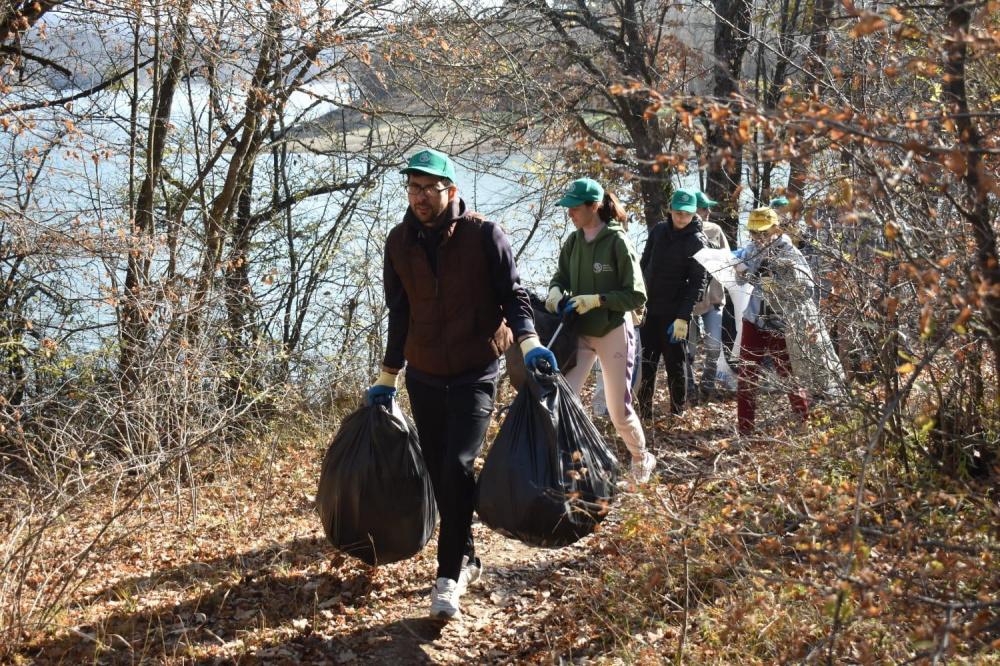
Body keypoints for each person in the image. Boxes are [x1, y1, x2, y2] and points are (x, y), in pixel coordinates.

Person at [366, 148, 556, 620]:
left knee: (456, 463)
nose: (420, 197)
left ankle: (447, 576)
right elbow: (399, 313)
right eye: (413, 188)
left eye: (429, 188)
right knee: (440, 472)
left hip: (476, 369)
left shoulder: (484, 235)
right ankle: (468, 555)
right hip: (425, 373)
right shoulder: (398, 242)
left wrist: (529, 342)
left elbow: (513, 294)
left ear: (450, 190)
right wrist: (388, 375)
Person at [544, 178, 655, 483]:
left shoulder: (618, 242)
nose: (570, 214)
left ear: (593, 207)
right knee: (564, 400)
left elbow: (637, 295)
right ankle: (572, 465)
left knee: (617, 411)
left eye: (574, 208)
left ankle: (641, 459)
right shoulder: (574, 241)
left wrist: (597, 300)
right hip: (579, 333)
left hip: (612, 331)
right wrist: (555, 292)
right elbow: (561, 276)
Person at [734, 206, 815, 436]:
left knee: (788, 375)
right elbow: (741, 283)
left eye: (763, 231)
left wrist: (783, 277)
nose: (758, 237)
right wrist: (739, 271)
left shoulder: (789, 250)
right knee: (746, 375)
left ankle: (802, 424)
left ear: (775, 228)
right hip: (754, 318)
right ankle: (745, 432)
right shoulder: (750, 249)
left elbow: (808, 288)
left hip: (780, 321)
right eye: (754, 232)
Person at [637, 188, 708, 418]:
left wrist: (684, 317)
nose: (682, 218)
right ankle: (645, 412)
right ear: (670, 210)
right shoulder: (658, 231)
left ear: (693, 213)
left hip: (675, 314)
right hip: (650, 310)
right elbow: (643, 264)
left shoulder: (697, 241)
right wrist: (637, 298)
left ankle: (677, 413)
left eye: (687, 214)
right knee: (647, 364)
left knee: (675, 365)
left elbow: (699, 282)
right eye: (678, 212)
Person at [689, 191, 735, 401]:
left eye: (708, 207)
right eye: (703, 207)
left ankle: (707, 385)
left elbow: (727, 260)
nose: (707, 211)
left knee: (714, 346)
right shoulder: (680, 230)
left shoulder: (716, 230)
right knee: (686, 349)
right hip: (688, 301)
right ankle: (688, 386)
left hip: (714, 298)